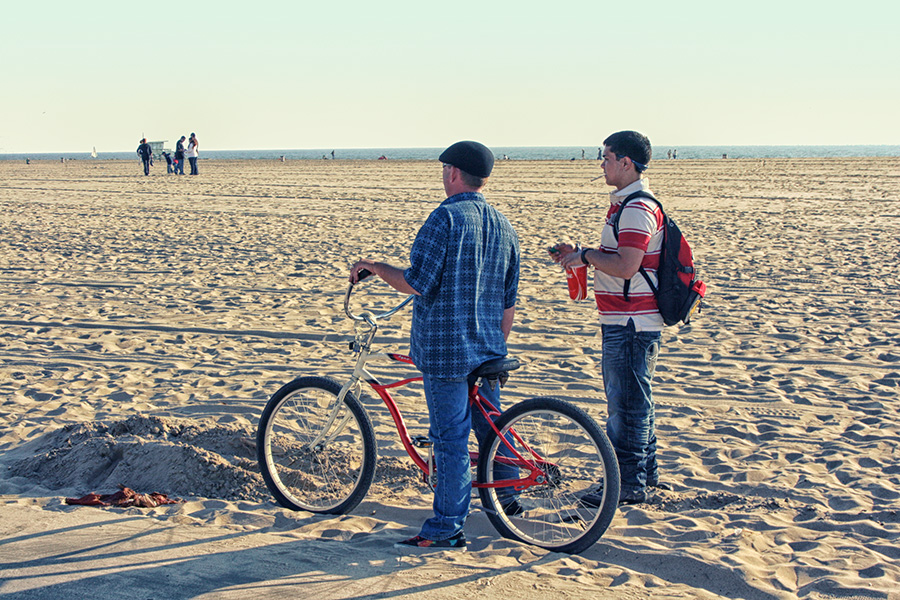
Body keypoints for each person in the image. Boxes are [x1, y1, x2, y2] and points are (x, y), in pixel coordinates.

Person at [350, 141, 520, 550]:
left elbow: (416, 282)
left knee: (451, 438)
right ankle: (509, 494)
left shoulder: (444, 218)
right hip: (488, 348)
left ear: (453, 173)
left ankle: (446, 527)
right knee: (491, 426)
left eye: (444, 168)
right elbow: (508, 301)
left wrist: (373, 267)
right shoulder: (503, 224)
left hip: (447, 352)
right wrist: (494, 344)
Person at [550, 130, 671, 505]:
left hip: (632, 321)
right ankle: (643, 476)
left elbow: (627, 265)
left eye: (606, 157)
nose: (601, 164)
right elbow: (621, 259)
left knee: (626, 404)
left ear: (625, 163)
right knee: (635, 400)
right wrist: (581, 253)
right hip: (627, 319)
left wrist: (585, 256)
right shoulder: (627, 205)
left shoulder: (636, 207)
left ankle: (628, 484)